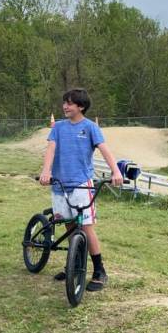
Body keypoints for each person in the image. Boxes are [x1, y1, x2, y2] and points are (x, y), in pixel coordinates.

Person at [38, 88, 122, 291]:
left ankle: (99, 270)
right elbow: (51, 149)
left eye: (70, 103)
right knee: (68, 225)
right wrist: (46, 171)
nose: (65, 106)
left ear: (81, 106)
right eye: (64, 102)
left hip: (81, 185)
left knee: (86, 227)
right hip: (59, 185)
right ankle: (73, 266)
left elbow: (105, 150)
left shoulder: (91, 128)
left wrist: (116, 171)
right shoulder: (58, 127)